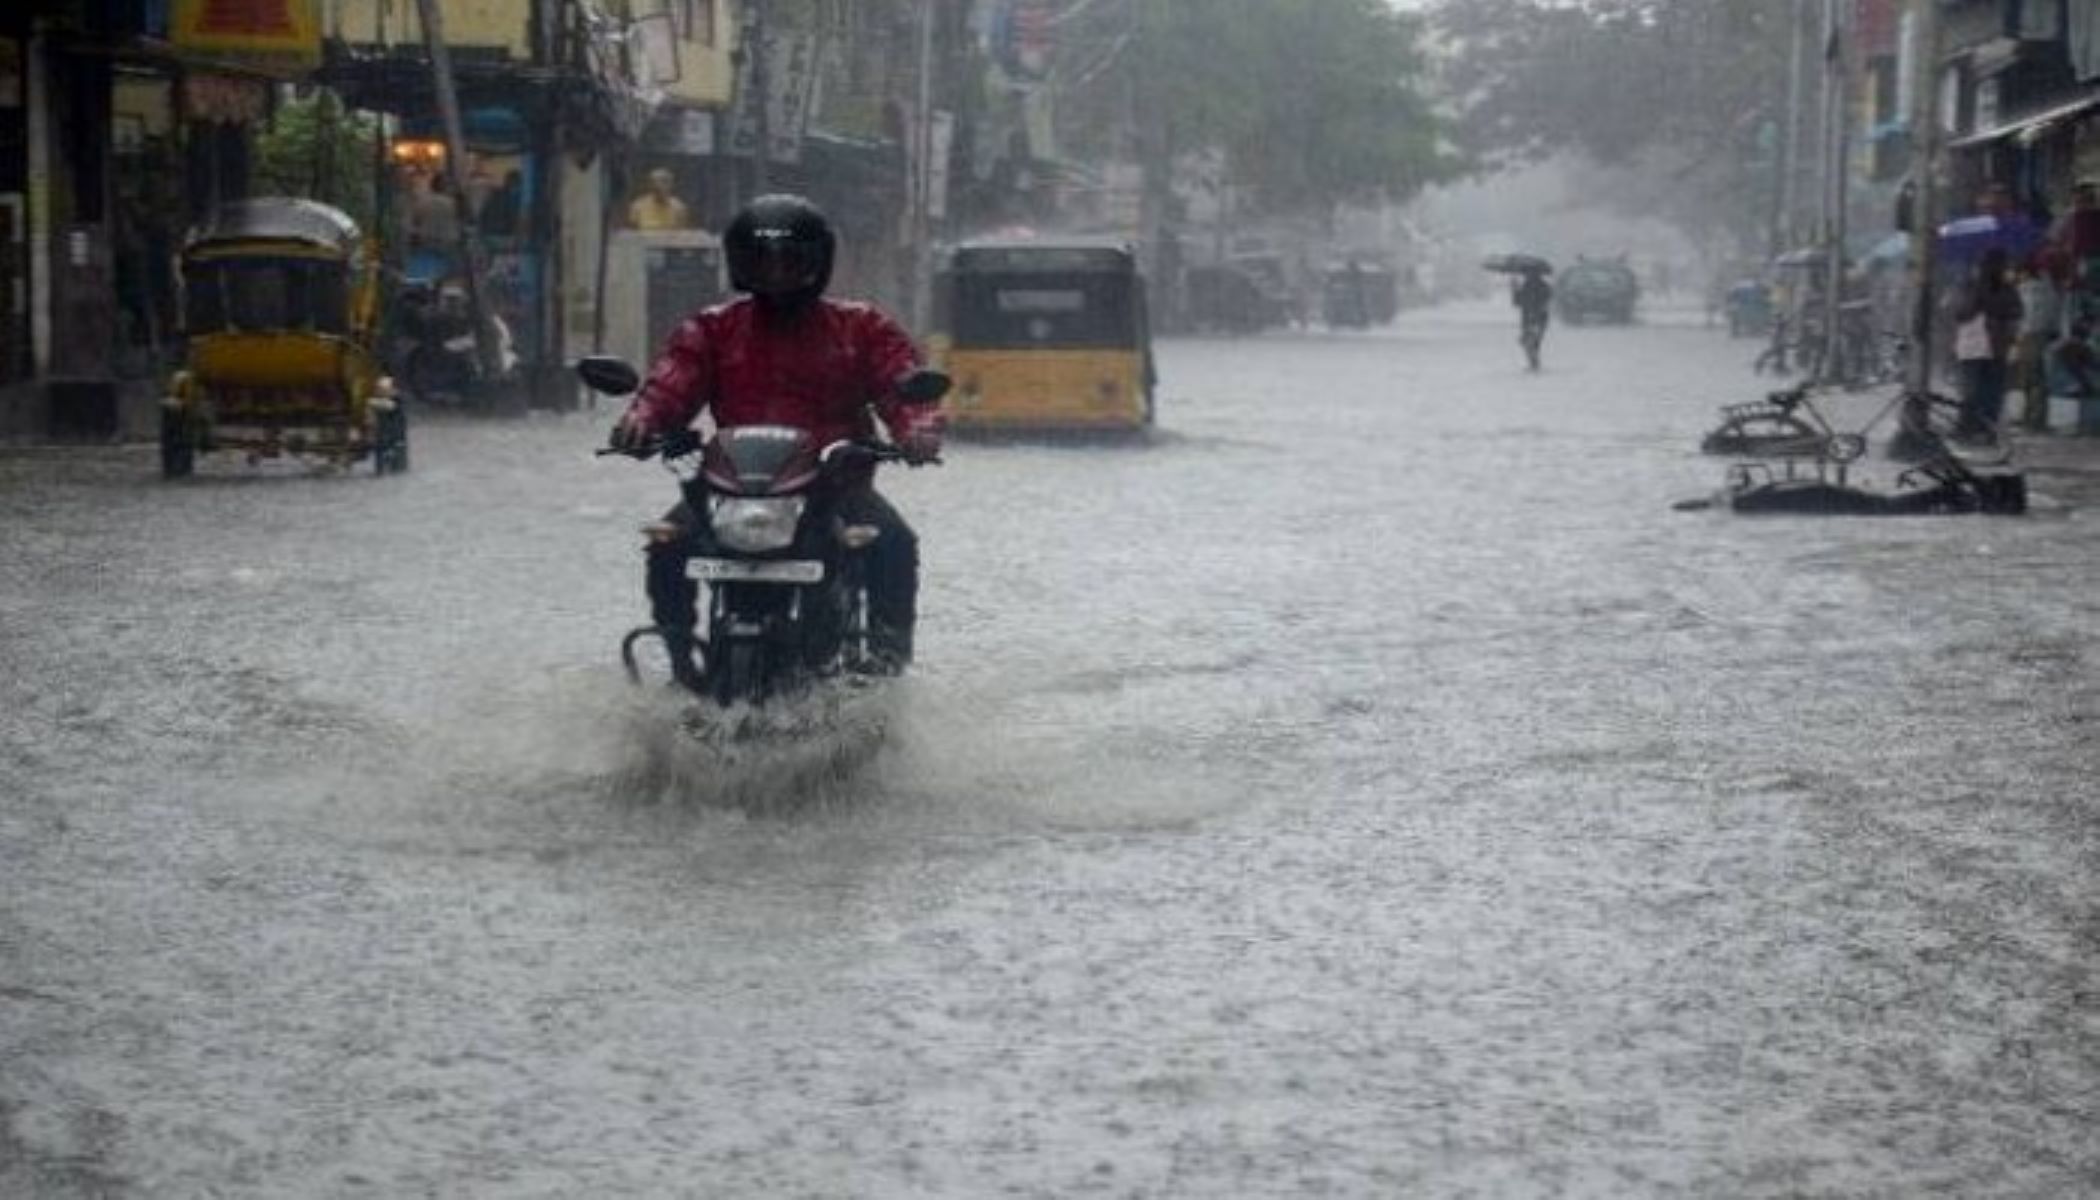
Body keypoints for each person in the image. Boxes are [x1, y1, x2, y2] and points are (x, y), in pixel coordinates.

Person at [609, 194, 945, 680]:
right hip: (731, 491)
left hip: (835, 489)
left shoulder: (862, 328)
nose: (776, 274)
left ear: (818, 263)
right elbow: (669, 383)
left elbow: (903, 385)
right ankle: (681, 660)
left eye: (790, 261)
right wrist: (641, 422)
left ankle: (885, 670)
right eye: (762, 261)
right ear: (740, 264)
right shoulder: (711, 329)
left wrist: (917, 430)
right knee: (668, 542)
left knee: (893, 543)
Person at [1948, 247, 2024, 440]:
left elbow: (2016, 312)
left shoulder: (2006, 289)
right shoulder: (1971, 286)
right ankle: (1970, 429)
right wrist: (1979, 298)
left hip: (1993, 347)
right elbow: (1960, 313)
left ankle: (1983, 430)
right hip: (1974, 347)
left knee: (1989, 393)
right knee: (1975, 392)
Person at [1512, 268, 1552, 371]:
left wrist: (1515, 289)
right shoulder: (1544, 286)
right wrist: (1516, 289)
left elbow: (1517, 302)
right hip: (1539, 317)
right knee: (1533, 341)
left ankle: (1534, 363)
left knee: (1529, 340)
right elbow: (1547, 299)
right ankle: (1534, 363)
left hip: (1532, 317)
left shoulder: (1529, 286)